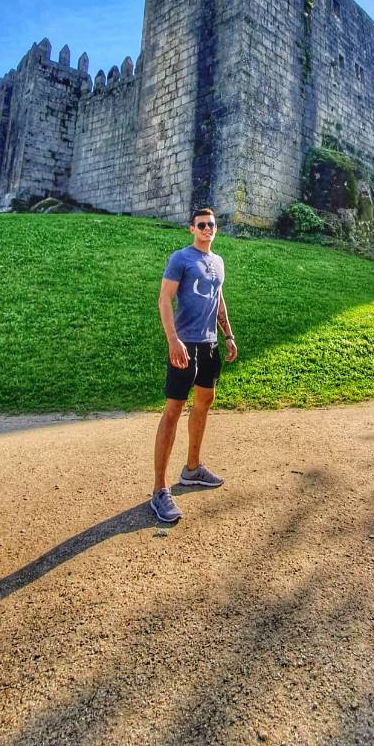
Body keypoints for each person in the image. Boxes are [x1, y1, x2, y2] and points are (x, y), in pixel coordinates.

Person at [150, 207, 238, 523]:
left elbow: (218, 296)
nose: (206, 229)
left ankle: (192, 468)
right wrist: (173, 341)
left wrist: (228, 334)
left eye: (211, 225)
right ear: (192, 229)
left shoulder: (218, 262)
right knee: (173, 411)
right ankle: (159, 489)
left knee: (204, 403)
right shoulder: (181, 259)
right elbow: (164, 300)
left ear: (216, 228)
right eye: (201, 225)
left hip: (210, 344)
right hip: (184, 344)